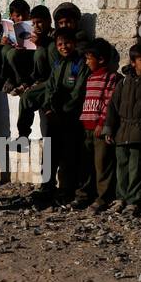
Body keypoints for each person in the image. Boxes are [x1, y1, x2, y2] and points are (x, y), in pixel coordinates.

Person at [104, 43, 141, 216]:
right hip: (122, 129)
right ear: (133, 62)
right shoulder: (124, 81)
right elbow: (112, 107)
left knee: (136, 167)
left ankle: (135, 200)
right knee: (121, 167)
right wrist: (109, 129)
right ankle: (121, 198)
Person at [33, 27, 87, 206]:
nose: (64, 47)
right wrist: (48, 109)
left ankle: (66, 190)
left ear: (75, 43)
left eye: (68, 43)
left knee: (68, 156)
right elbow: (50, 87)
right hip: (53, 117)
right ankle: (47, 187)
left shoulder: (80, 65)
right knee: (49, 154)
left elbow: (78, 92)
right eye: (60, 44)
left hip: (70, 119)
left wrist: (64, 111)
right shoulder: (57, 64)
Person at [74, 40, 121, 212]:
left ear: (101, 59)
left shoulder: (111, 77)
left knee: (103, 165)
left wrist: (102, 123)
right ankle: (83, 195)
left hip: (99, 128)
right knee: (85, 164)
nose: (86, 62)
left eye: (89, 58)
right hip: (86, 126)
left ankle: (104, 197)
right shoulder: (90, 77)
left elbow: (108, 103)